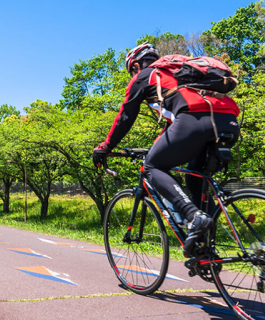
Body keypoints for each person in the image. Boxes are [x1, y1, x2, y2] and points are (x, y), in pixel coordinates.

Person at [92, 42, 240, 257]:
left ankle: (193, 216)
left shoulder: (145, 76)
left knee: (152, 165)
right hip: (229, 121)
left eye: (132, 70)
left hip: (195, 121)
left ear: (135, 65)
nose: (132, 74)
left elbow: (125, 117)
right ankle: (203, 248)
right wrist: (156, 144)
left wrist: (106, 146)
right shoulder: (181, 75)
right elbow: (175, 121)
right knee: (195, 177)